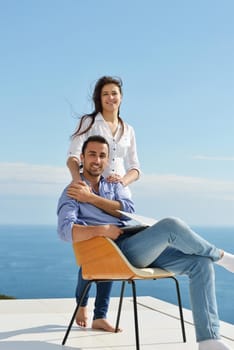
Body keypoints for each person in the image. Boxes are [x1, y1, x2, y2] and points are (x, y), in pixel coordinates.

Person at [57, 135, 234, 350]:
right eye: (92, 154)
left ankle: (208, 341)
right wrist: (101, 229)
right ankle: (222, 257)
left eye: (102, 155)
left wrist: (92, 199)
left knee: (200, 264)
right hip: (116, 253)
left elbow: (128, 212)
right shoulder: (72, 192)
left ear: (107, 160)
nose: (97, 160)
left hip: (137, 244)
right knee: (171, 225)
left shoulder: (113, 185)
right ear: (82, 158)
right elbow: (66, 231)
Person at [66, 76, 141, 329]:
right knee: (92, 246)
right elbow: (72, 157)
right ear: (99, 98)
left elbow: (135, 168)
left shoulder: (128, 129)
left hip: (117, 196)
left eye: (115, 93)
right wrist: (80, 184)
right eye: (106, 93)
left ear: (121, 97)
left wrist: (123, 182)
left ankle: (100, 316)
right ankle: (83, 302)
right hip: (89, 189)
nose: (111, 98)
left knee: (113, 247)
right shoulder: (88, 122)